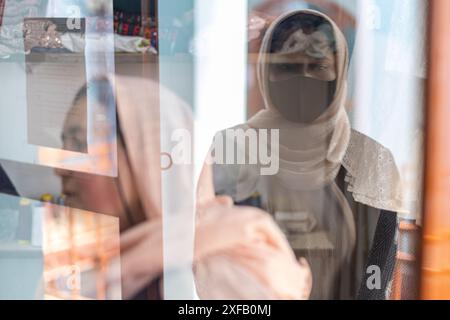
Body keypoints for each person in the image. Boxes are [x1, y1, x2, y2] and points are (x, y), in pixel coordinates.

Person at [55, 75, 312, 300]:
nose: (61, 167)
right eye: (65, 147)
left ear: (145, 159)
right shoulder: (108, 264)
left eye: (81, 146)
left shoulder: (219, 272)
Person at [208, 10, 404, 299]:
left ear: (339, 73)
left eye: (318, 66)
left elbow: (375, 279)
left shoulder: (372, 160)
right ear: (265, 71)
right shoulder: (233, 147)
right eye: (288, 67)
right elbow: (213, 266)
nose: (303, 79)